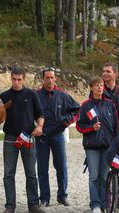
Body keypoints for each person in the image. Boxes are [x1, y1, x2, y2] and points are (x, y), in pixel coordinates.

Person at [0, 67, 46, 213]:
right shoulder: (3, 96)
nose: (16, 82)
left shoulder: (31, 94)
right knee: (8, 174)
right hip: (10, 139)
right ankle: (9, 206)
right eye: (14, 79)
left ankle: (33, 205)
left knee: (31, 173)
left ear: (24, 80)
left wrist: (39, 126)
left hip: (28, 137)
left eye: (19, 79)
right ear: (11, 78)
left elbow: (40, 113)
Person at [35, 67, 80, 207]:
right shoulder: (35, 95)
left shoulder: (63, 95)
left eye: (52, 77)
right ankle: (44, 198)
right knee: (42, 168)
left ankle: (62, 196)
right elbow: (29, 113)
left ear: (55, 79)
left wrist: (66, 121)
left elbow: (76, 110)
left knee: (61, 167)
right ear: (43, 79)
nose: (49, 80)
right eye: (47, 77)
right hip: (41, 136)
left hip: (58, 135)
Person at [76, 76, 119, 213]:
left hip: (108, 146)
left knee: (104, 176)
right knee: (94, 176)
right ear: (91, 88)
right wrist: (91, 128)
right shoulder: (86, 105)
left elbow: (116, 126)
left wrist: (117, 144)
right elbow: (79, 126)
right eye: (96, 85)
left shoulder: (110, 104)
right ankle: (95, 204)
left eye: (101, 85)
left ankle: (104, 203)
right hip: (92, 147)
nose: (100, 87)